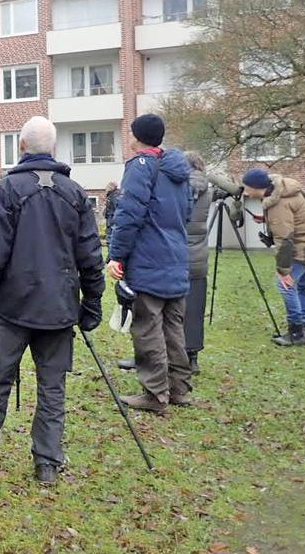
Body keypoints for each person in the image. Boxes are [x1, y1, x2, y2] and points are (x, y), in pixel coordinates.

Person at [0, 117, 105, 485]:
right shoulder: (74, 192)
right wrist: (91, 302)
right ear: (53, 148)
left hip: (15, 307)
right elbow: (91, 256)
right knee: (51, 386)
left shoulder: (11, 189)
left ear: (21, 146)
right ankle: (46, 462)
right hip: (56, 307)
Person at [107, 114, 193, 414]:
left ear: (137, 137)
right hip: (176, 257)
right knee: (174, 327)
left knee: (147, 327)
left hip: (149, 260)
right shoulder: (179, 170)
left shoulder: (140, 167)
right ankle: (179, 389)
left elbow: (129, 214)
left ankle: (156, 394)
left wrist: (116, 254)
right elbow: (186, 212)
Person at [241, 168, 305, 346]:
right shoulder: (283, 191)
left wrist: (284, 270)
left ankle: (296, 333)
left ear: (257, 187)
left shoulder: (278, 203)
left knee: (285, 285)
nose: (246, 192)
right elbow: (292, 218)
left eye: (247, 188)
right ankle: (303, 330)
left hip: (301, 247)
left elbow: (284, 240)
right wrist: (265, 219)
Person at [182, 152, 212, 373]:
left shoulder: (180, 189)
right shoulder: (208, 190)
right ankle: (192, 357)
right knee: (195, 310)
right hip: (199, 257)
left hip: (178, 255)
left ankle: (170, 354)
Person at [104, 180, 121, 248]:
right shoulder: (113, 195)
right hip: (110, 220)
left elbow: (116, 207)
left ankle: (110, 257)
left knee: (110, 239)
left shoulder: (114, 195)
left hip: (111, 220)